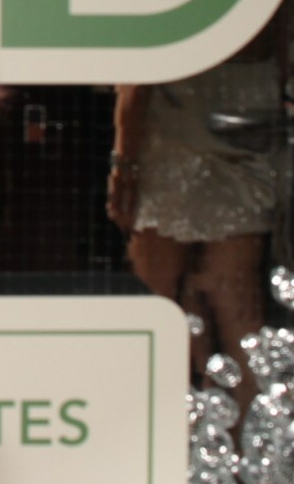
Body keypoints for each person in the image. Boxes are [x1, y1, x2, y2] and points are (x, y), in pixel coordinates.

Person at [108, 22, 285, 418]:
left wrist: (124, 163)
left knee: (159, 303)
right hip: (246, 109)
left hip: (181, 113)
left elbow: (137, 72)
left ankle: (154, 426)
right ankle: (246, 435)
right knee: (235, 304)